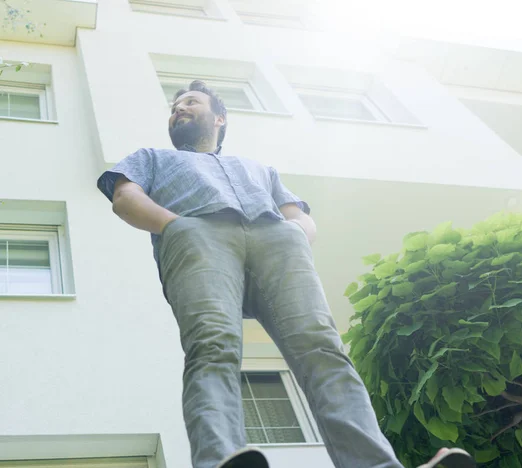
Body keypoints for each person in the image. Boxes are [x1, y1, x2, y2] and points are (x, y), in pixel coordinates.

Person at [97, 81, 470, 468]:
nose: (179, 109)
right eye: (174, 107)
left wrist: (295, 233)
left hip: (277, 239)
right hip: (197, 233)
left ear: (219, 118)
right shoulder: (151, 156)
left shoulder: (261, 169)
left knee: (323, 349)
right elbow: (125, 197)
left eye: (190, 102)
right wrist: (177, 227)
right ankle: (221, 459)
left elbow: (298, 214)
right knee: (213, 346)